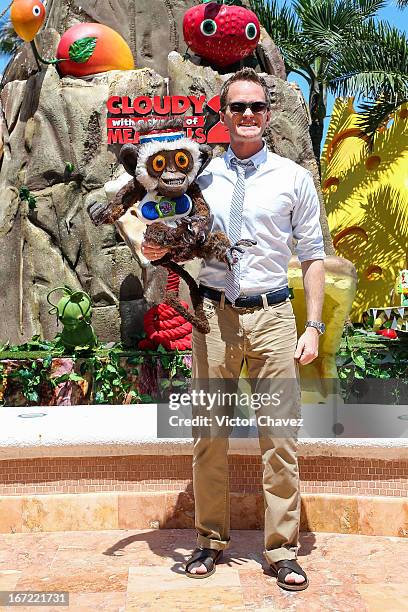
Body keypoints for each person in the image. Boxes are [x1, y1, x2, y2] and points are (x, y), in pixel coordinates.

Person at [141, 67, 325, 591]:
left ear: (269, 115)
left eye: (256, 107)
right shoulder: (198, 177)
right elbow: (169, 239)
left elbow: (312, 256)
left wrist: (312, 325)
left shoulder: (294, 177)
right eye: (237, 107)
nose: (247, 115)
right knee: (209, 436)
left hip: (273, 317)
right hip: (215, 317)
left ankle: (283, 549)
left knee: (280, 440)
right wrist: (155, 246)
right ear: (222, 115)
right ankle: (208, 540)